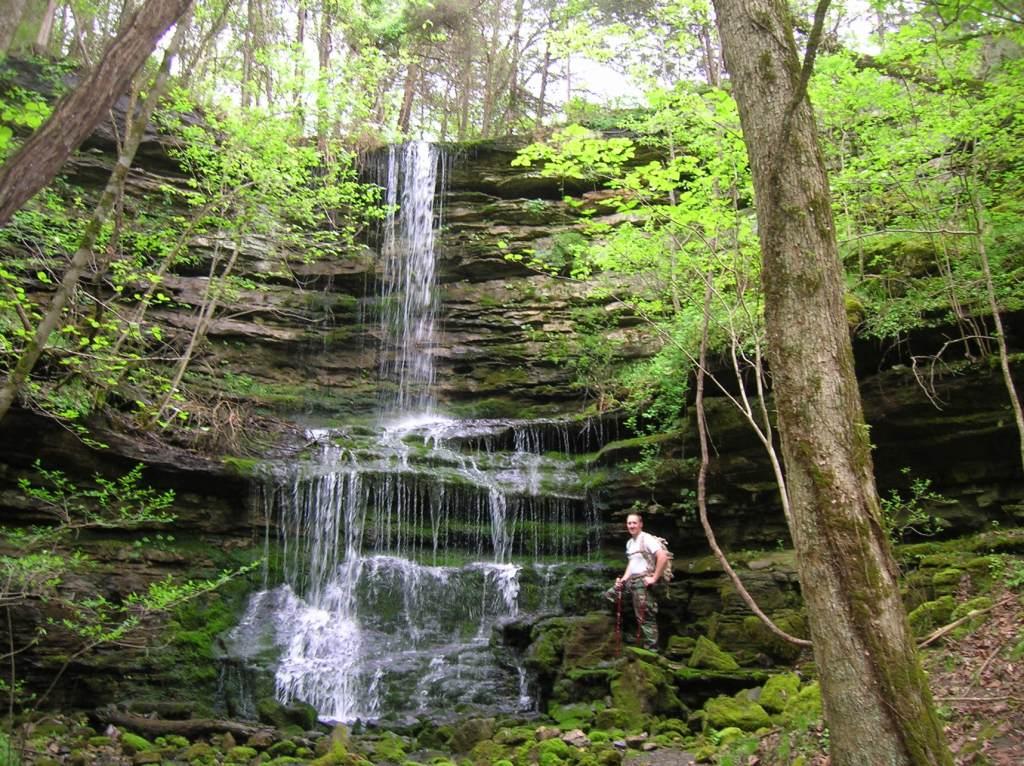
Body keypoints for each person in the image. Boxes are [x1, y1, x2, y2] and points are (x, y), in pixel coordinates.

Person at [604, 512, 668, 651]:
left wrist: (654, 578)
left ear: (640, 524)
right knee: (611, 595)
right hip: (632, 580)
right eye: (629, 523)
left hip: (643, 581)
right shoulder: (630, 543)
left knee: (644, 615)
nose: (631, 525)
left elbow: (663, 557)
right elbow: (631, 564)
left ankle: (652, 650)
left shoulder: (647, 539)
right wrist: (623, 580)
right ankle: (626, 633)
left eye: (634, 523)